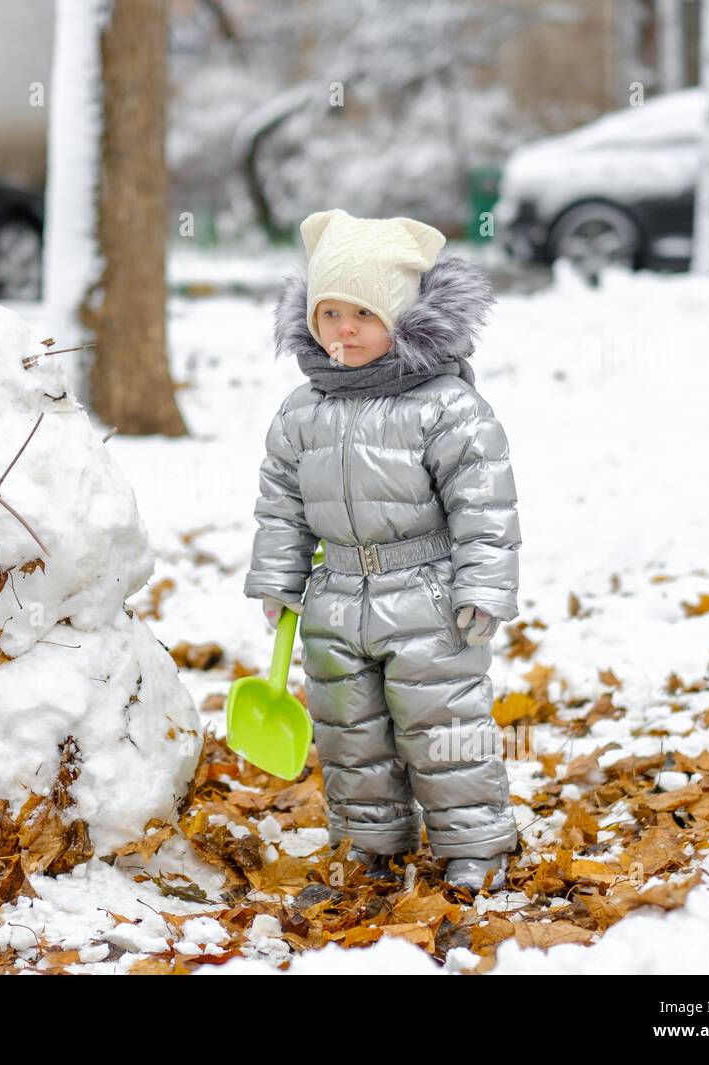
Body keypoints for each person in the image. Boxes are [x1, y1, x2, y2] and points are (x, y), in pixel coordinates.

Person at [243, 208, 521, 893]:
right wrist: (279, 580)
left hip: (425, 592)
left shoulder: (445, 406)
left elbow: (484, 504)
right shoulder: (300, 412)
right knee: (350, 732)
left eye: (362, 313)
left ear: (401, 317)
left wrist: (482, 588)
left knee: (443, 725)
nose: (343, 329)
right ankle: (369, 841)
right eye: (328, 312)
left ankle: (476, 840)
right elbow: (281, 505)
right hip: (334, 595)